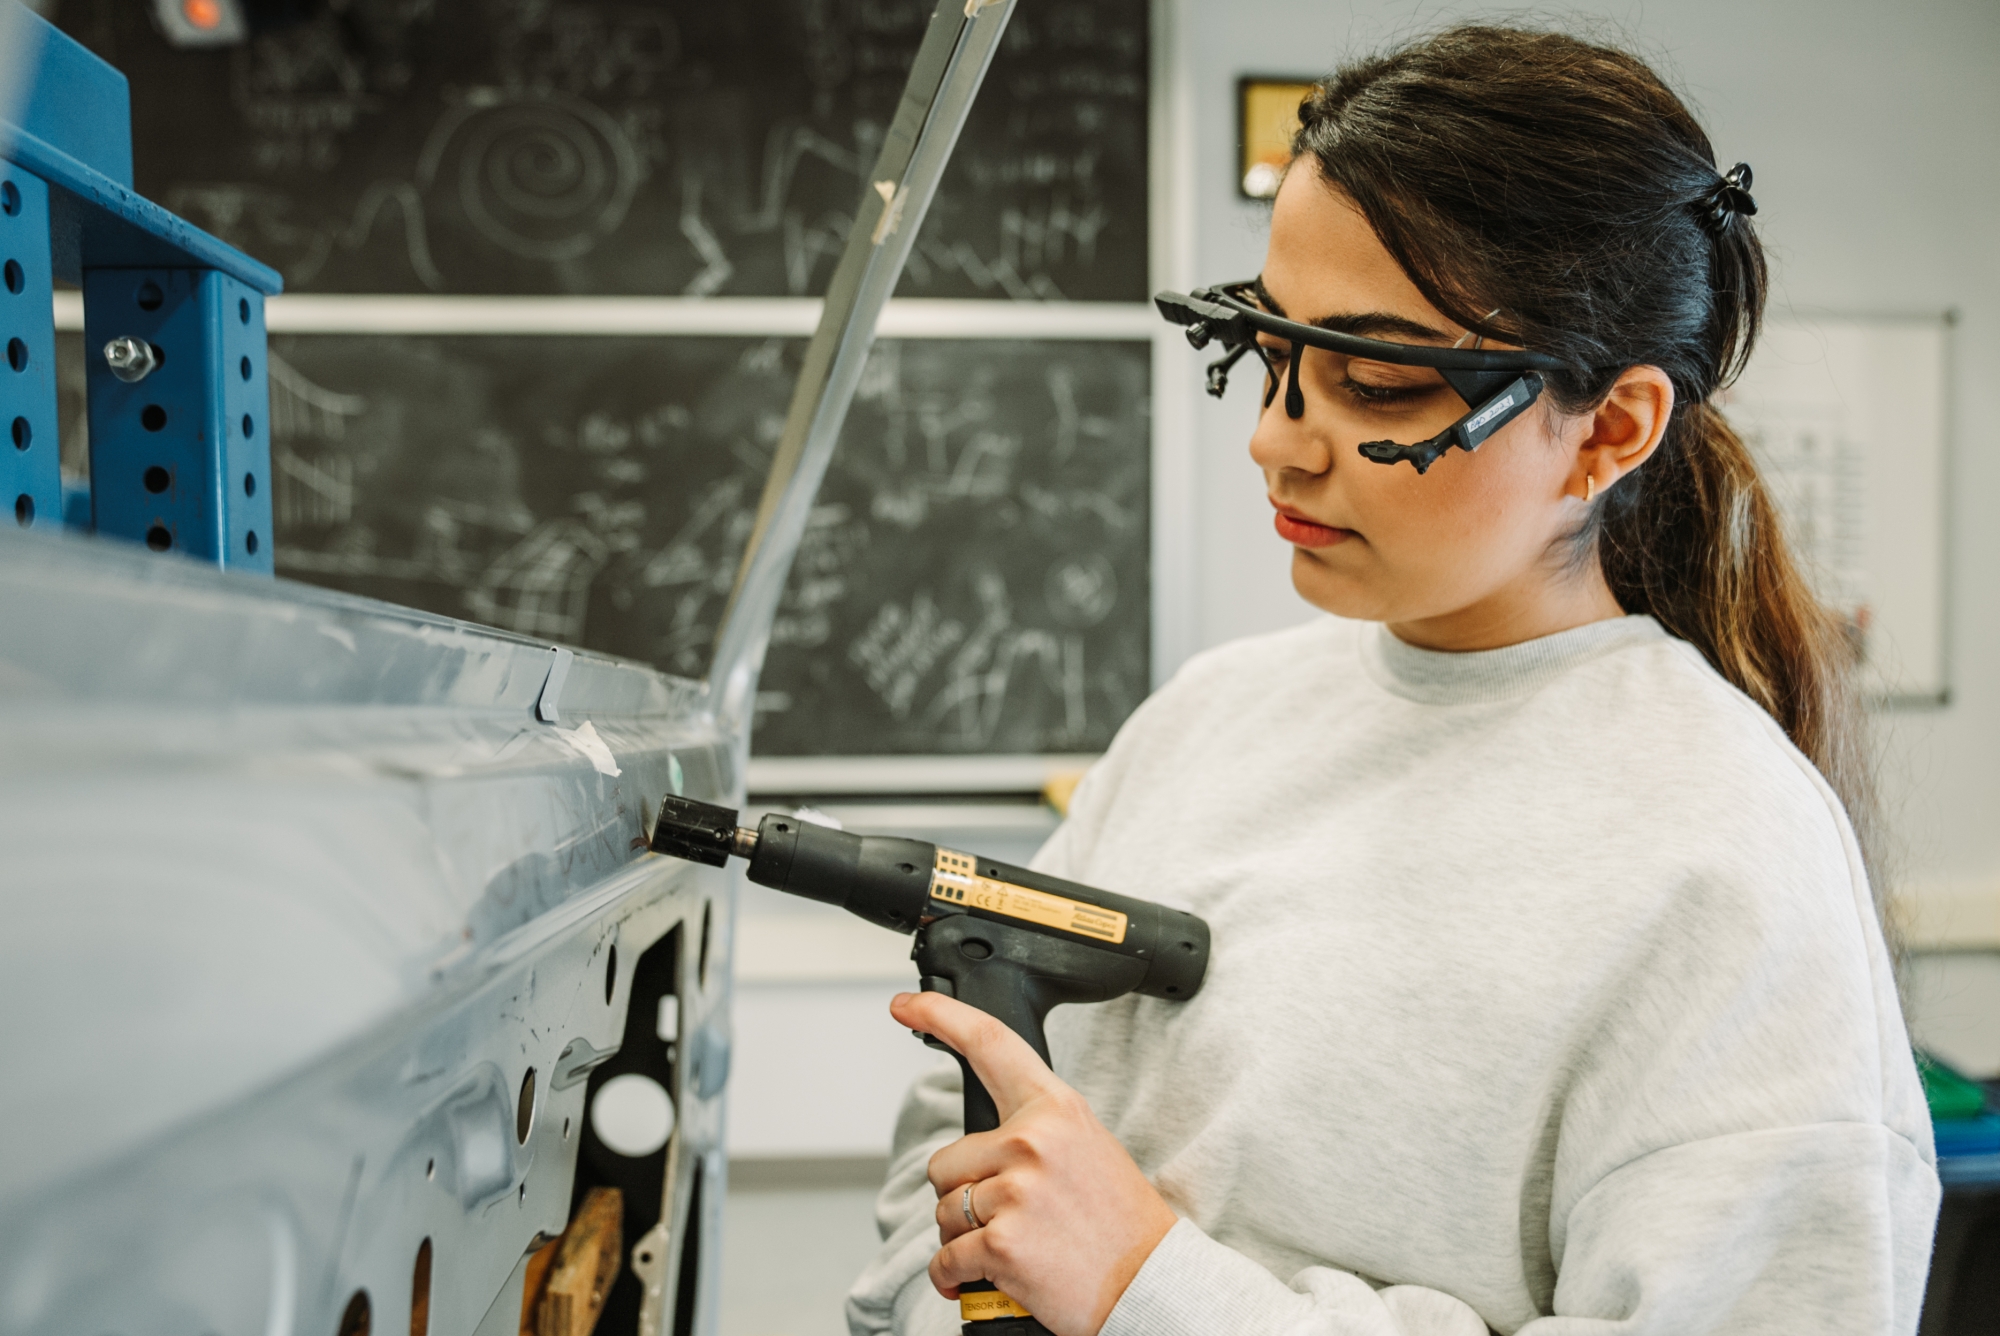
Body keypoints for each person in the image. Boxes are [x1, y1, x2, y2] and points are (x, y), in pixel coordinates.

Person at [846, 25, 1937, 1336]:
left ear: (1610, 429)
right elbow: (968, 1125)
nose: (1276, 442)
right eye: (1271, 354)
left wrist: (1149, 1285)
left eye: (1375, 381)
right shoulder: (1205, 720)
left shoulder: (1726, 852)